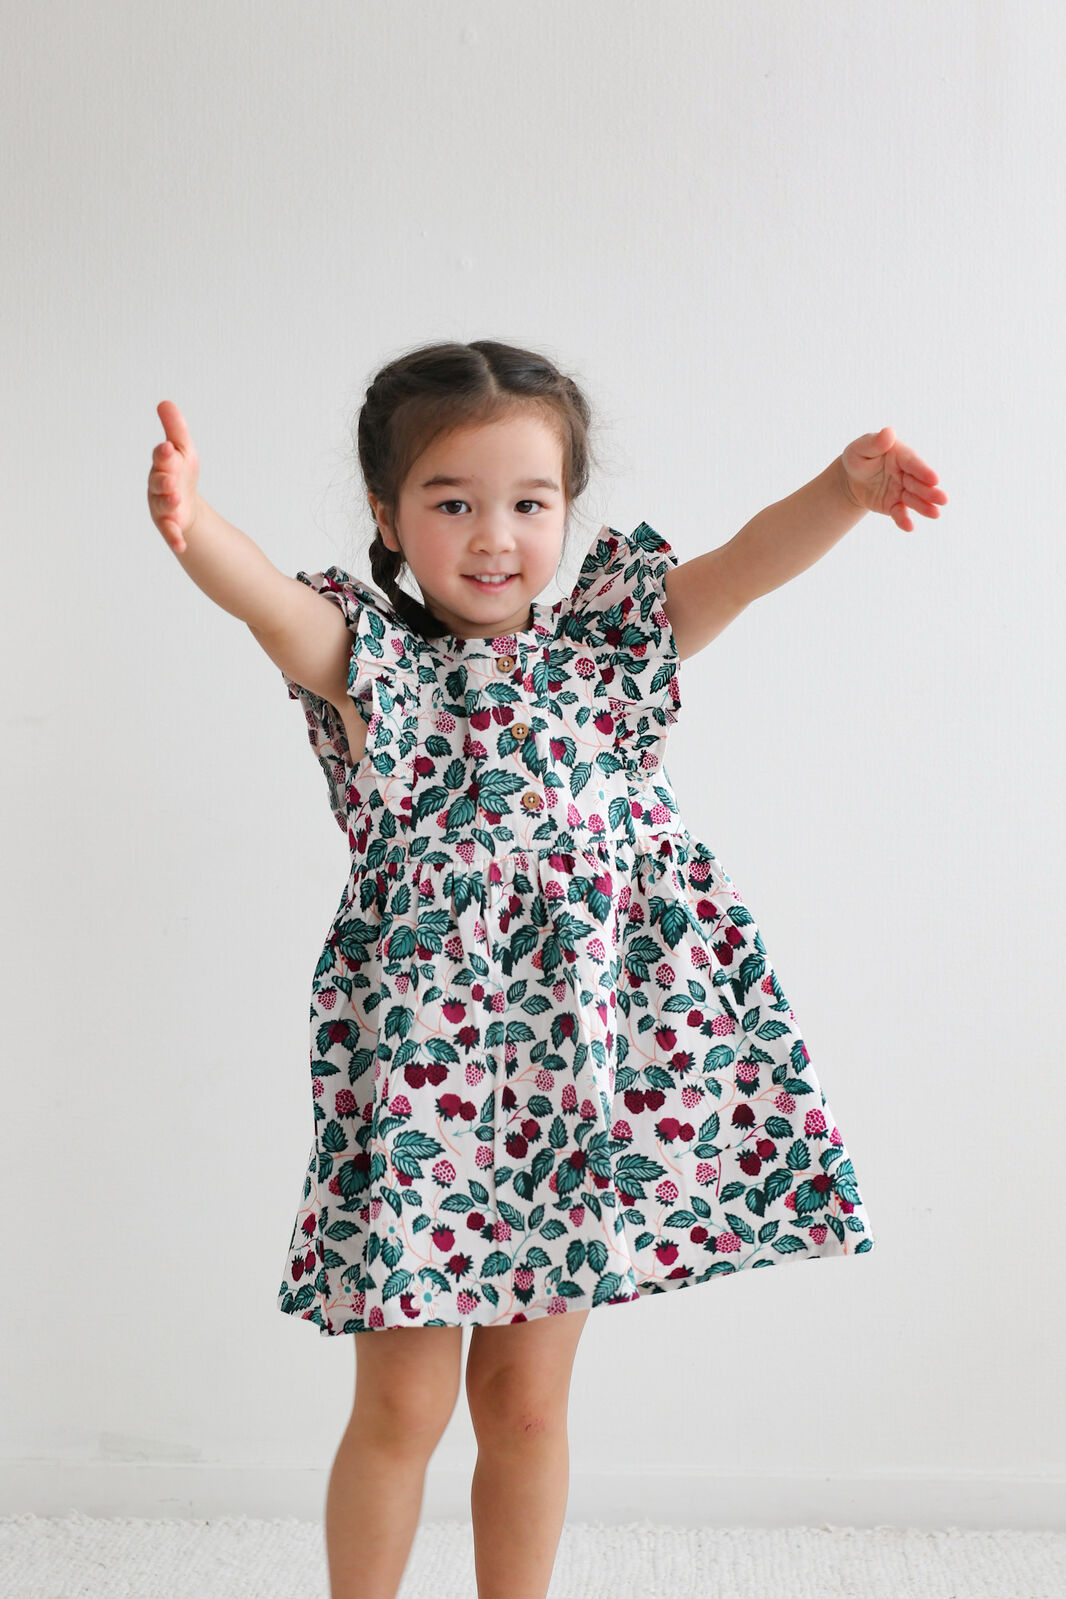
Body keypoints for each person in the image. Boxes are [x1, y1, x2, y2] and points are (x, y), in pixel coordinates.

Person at [146, 340, 946, 1599]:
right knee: (404, 1407)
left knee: (523, 1406)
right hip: (426, 1096)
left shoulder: (607, 654)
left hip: (574, 1088)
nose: (493, 535)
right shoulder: (380, 672)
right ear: (387, 514)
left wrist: (842, 491)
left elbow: (741, 567)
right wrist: (195, 531)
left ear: (568, 510)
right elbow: (268, 605)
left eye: (529, 503)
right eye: (451, 502)